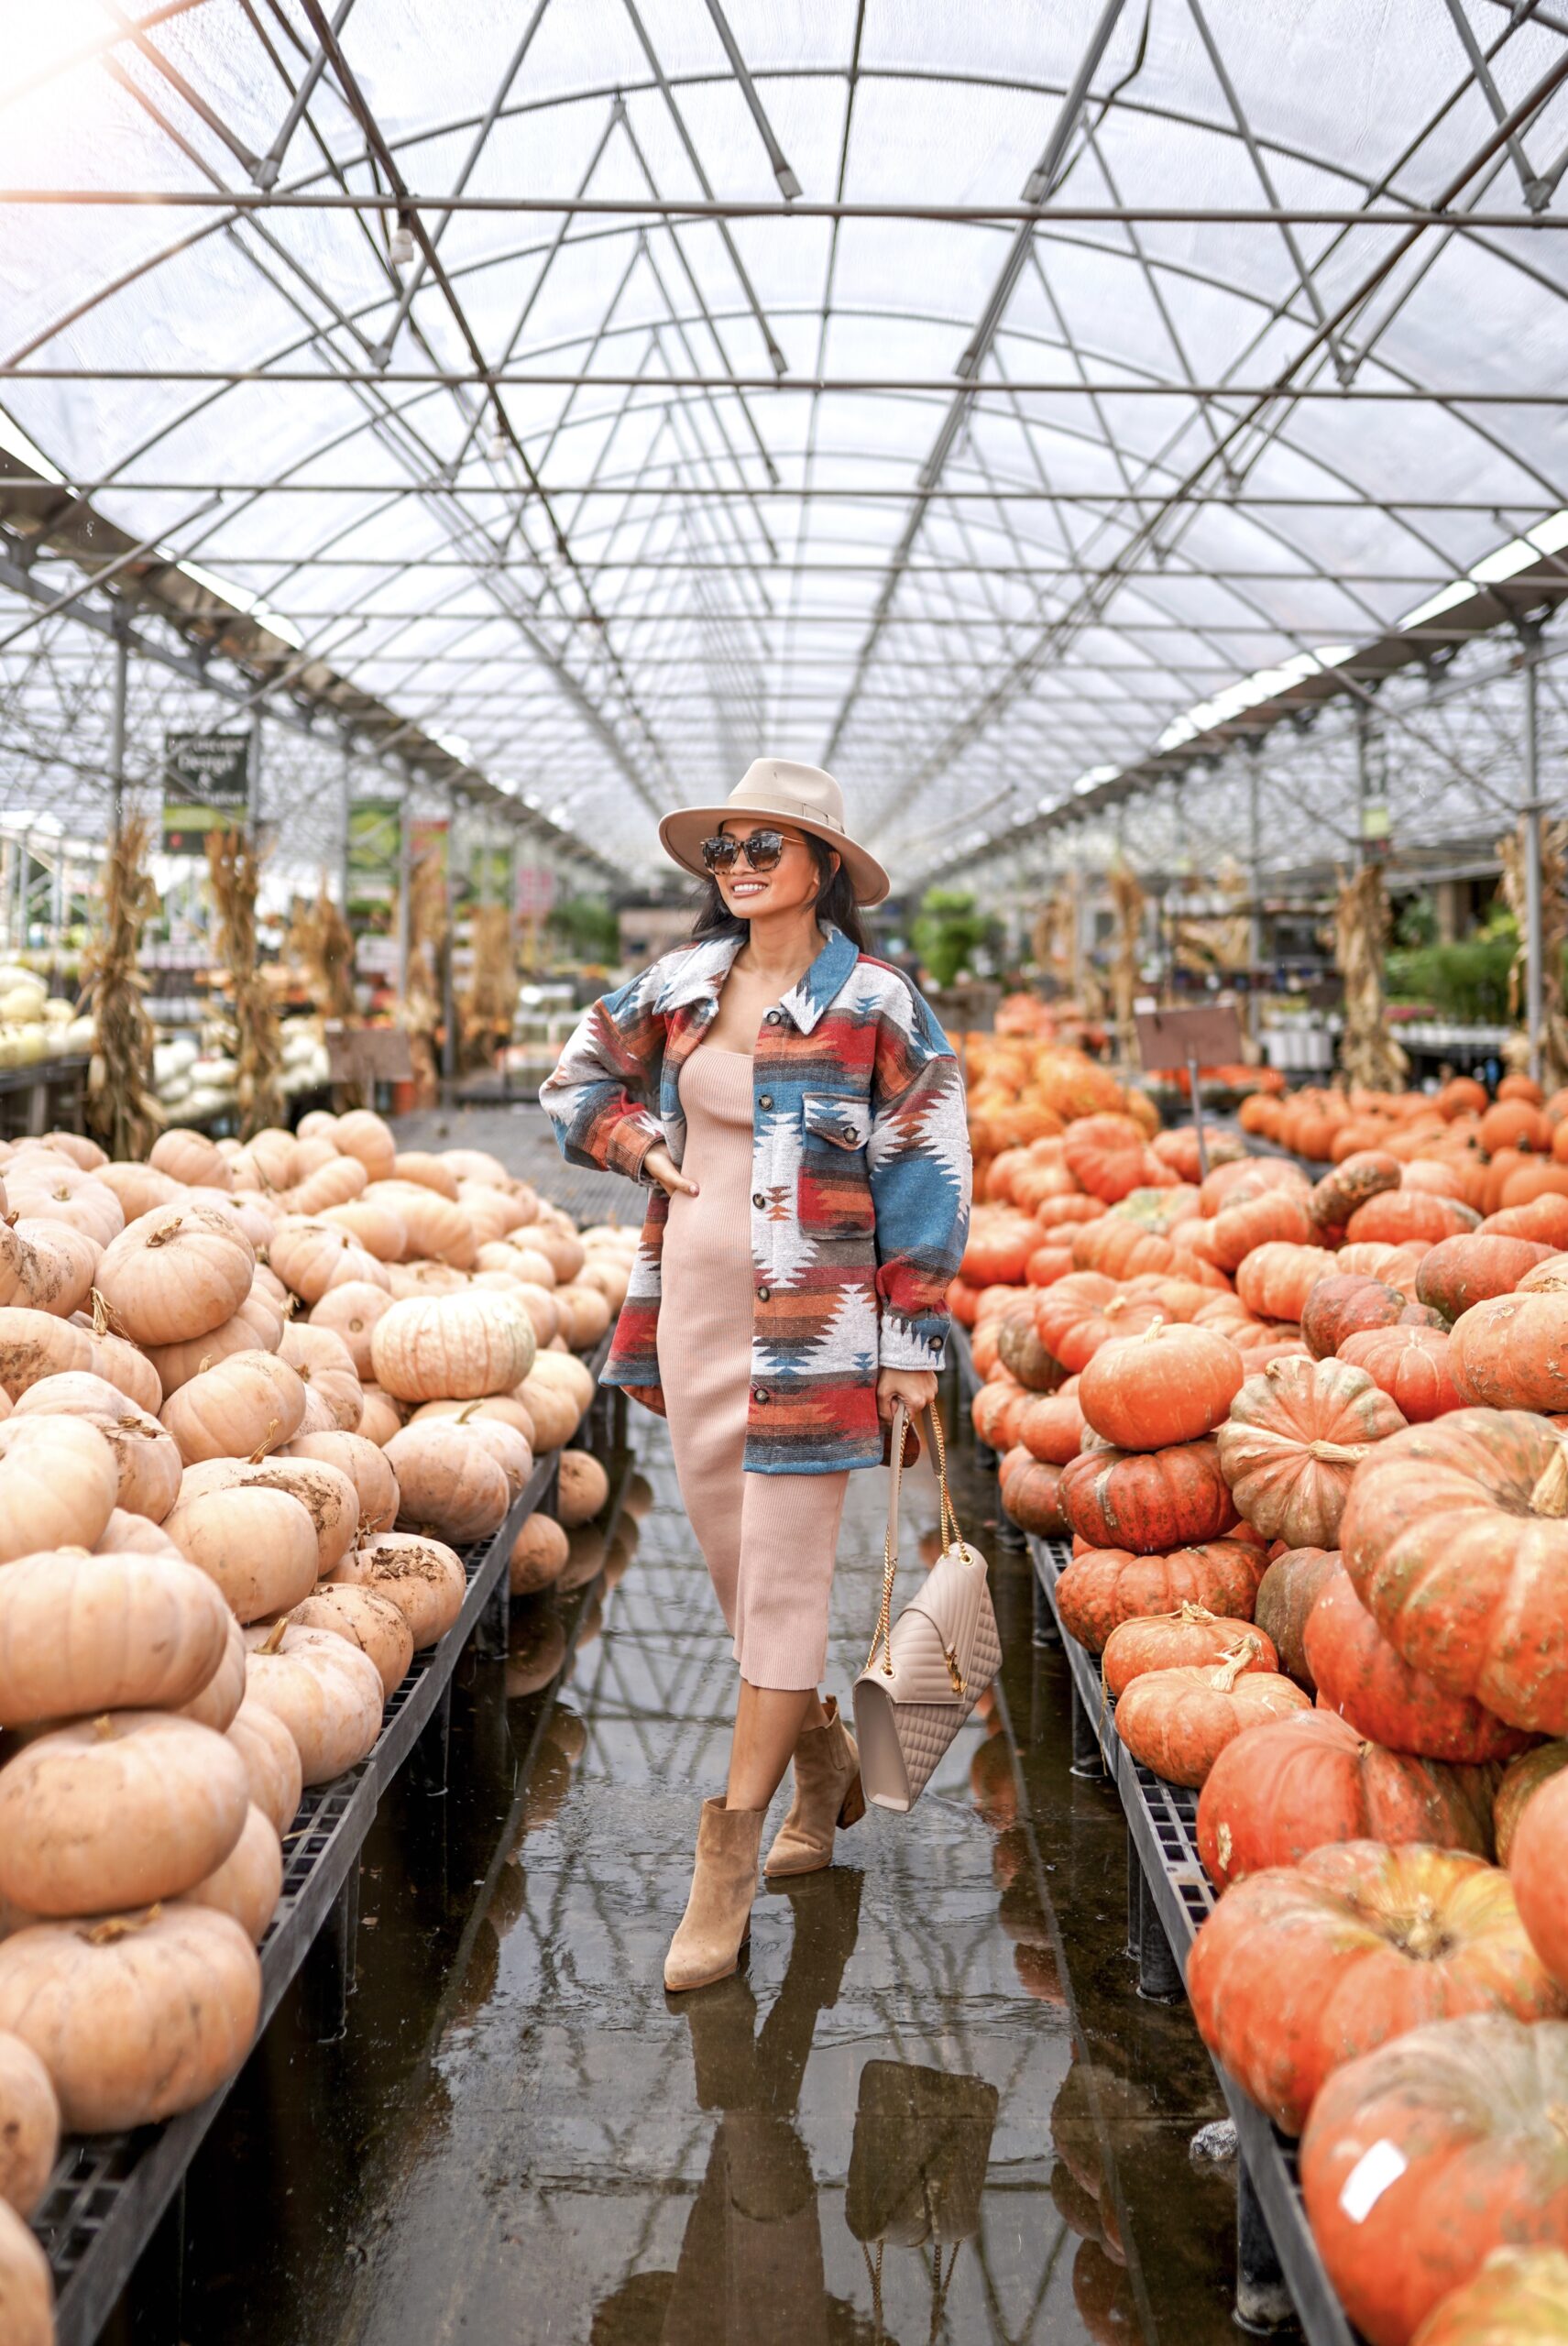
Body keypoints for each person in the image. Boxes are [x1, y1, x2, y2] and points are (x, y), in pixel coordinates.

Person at [540, 759, 972, 1991]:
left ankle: (721, 1878)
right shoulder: (676, 990)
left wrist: (910, 1349)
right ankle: (823, 1758)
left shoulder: (880, 1005)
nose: (737, 865)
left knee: (782, 1589)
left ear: (821, 867)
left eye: (764, 847)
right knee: (742, 1583)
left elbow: (928, 1172)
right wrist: (636, 1141)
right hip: (696, 1319)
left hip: (817, 1337)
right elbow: (573, 1082)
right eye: (724, 847)